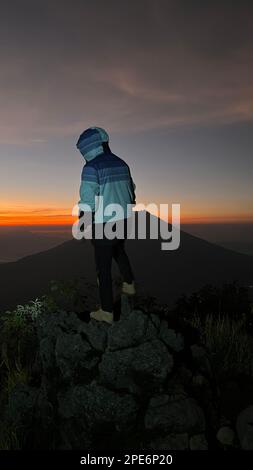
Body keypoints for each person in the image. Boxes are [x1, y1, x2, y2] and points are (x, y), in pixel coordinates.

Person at [76, 126, 136, 324]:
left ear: (87, 149)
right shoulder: (122, 163)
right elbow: (132, 189)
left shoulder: (91, 167)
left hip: (103, 224)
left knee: (103, 268)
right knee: (119, 249)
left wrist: (83, 223)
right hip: (125, 219)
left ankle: (107, 312)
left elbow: (88, 200)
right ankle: (129, 285)